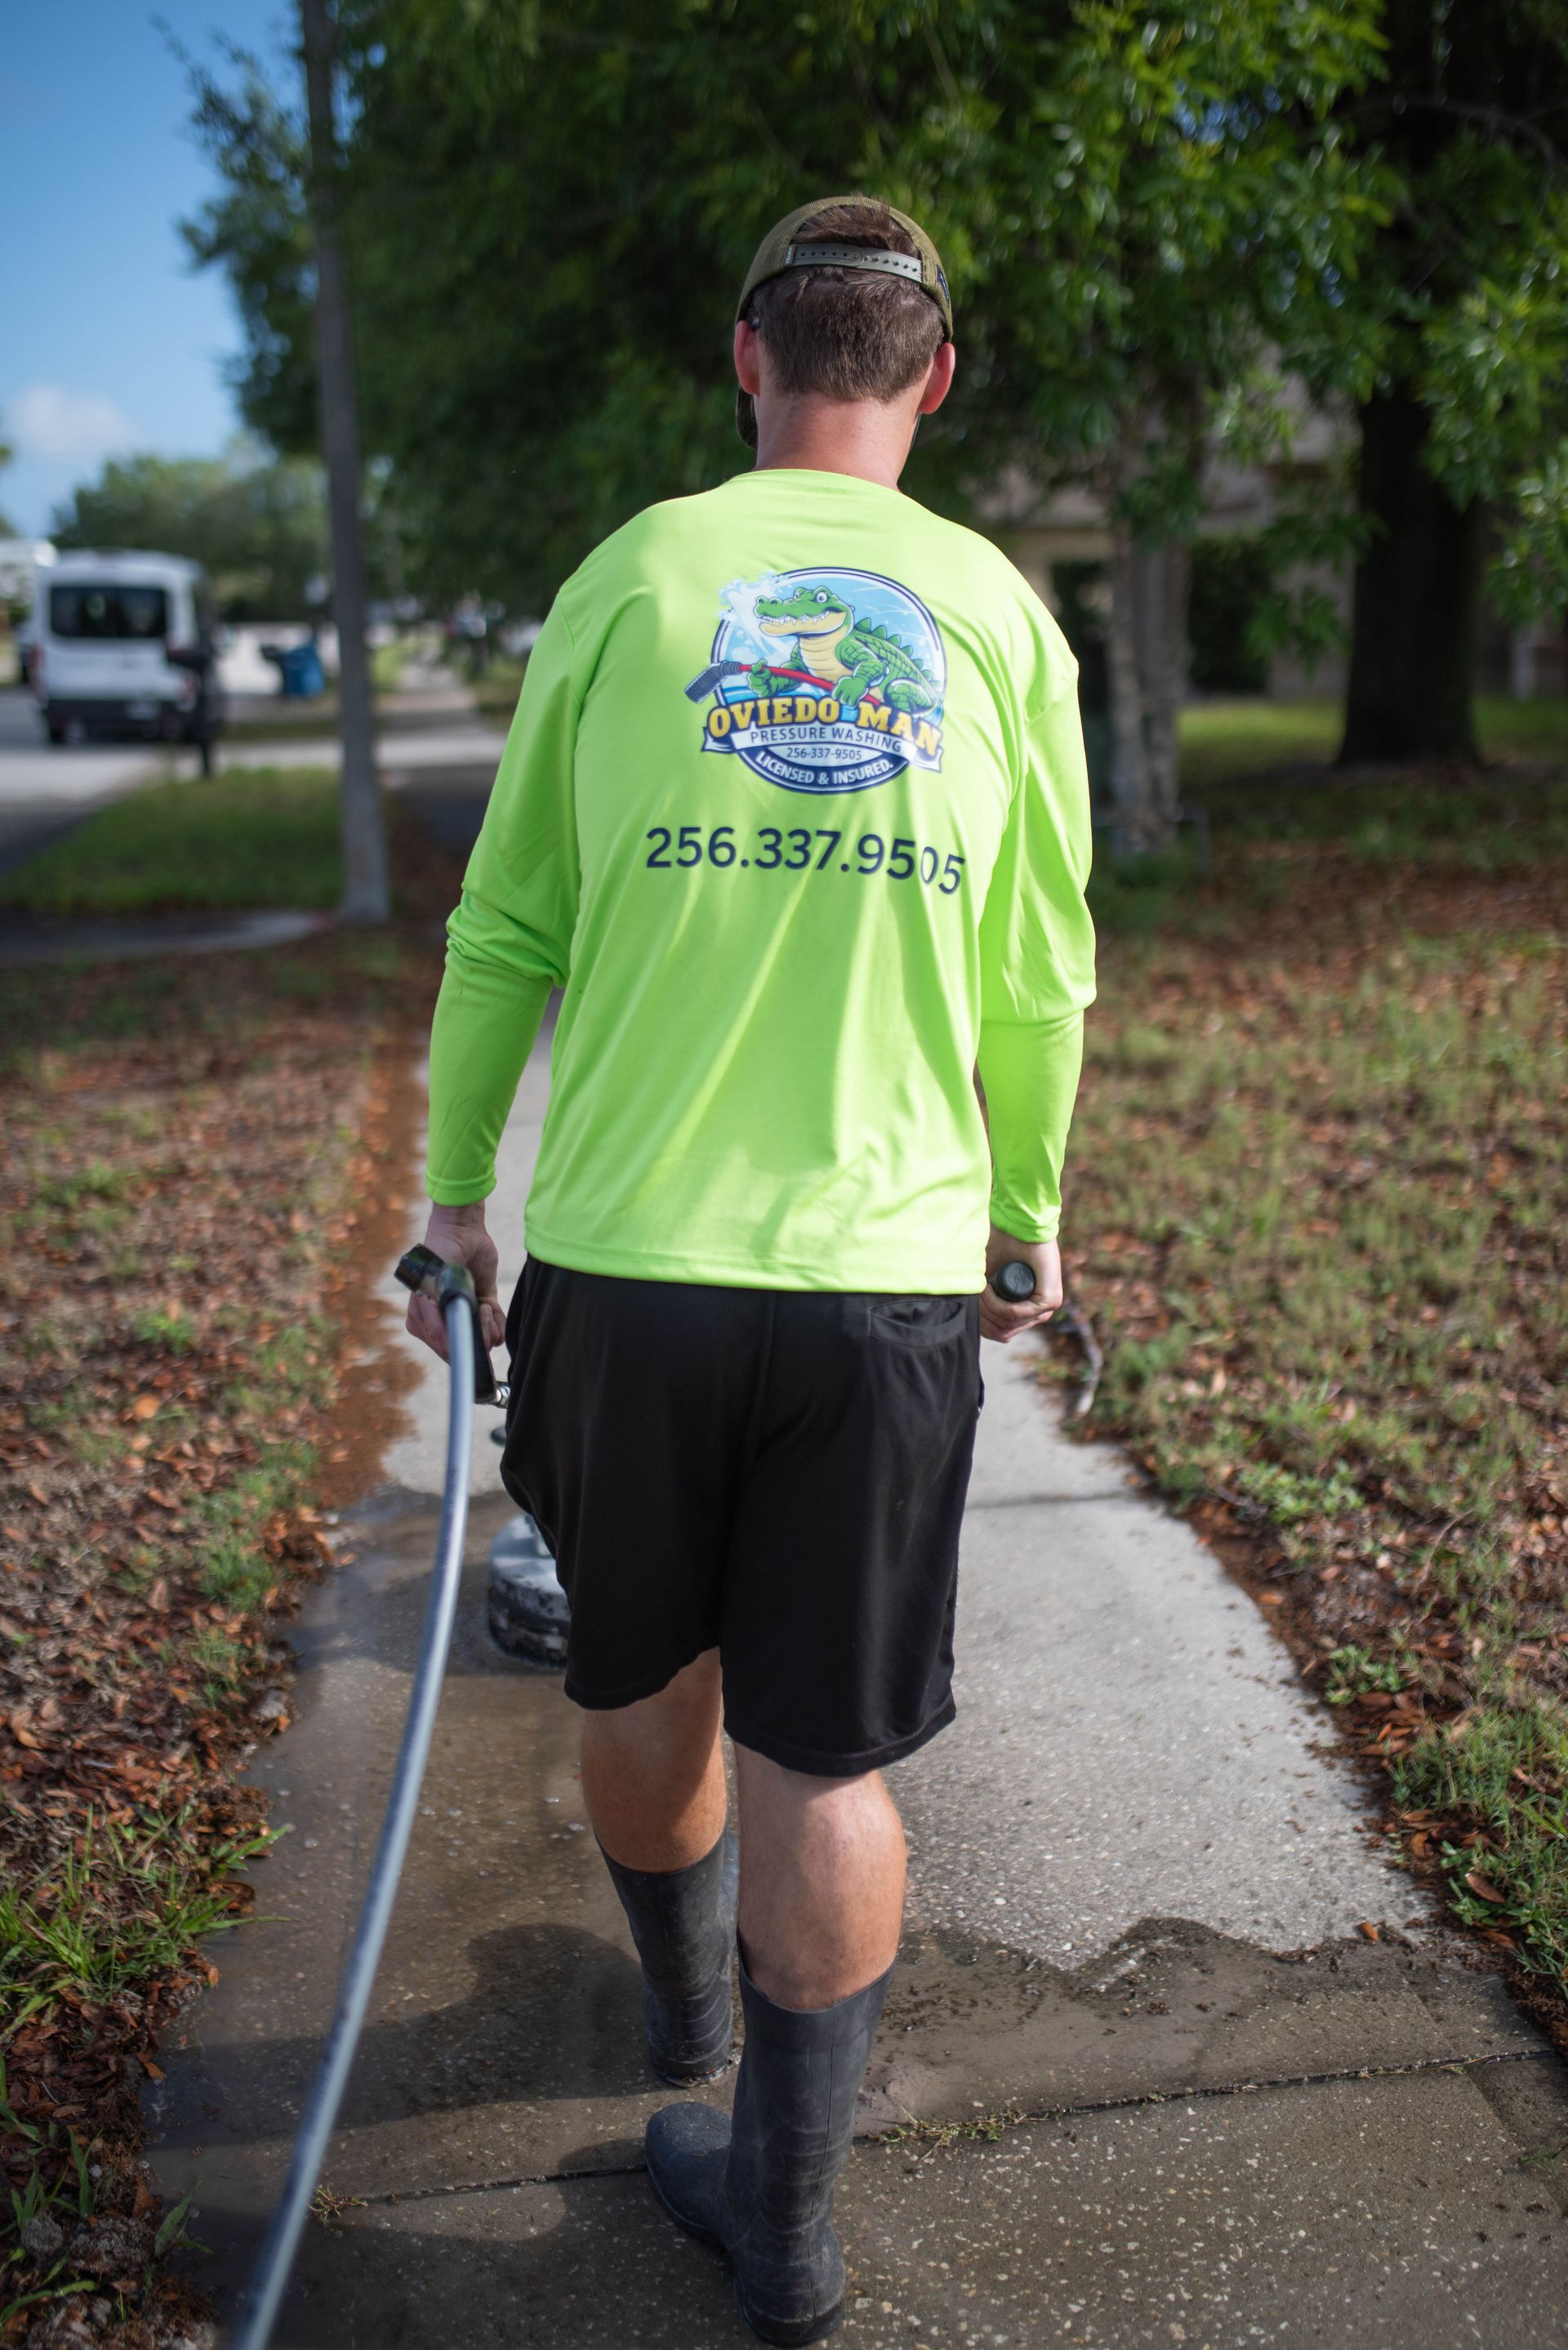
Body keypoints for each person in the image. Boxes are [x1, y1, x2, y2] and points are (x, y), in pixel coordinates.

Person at [406, 194, 1095, 2347]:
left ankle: (681, 2036)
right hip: (881, 1285)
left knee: (635, 1682)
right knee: (833, 1760)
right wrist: (1023, 1211)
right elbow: (1042, 971)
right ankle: (787, 2238)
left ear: (746, 361)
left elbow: (504, 925)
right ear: (935, 382)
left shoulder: (630, 580)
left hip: (625, 1259)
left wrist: (455, 1204)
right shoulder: (998, 617)